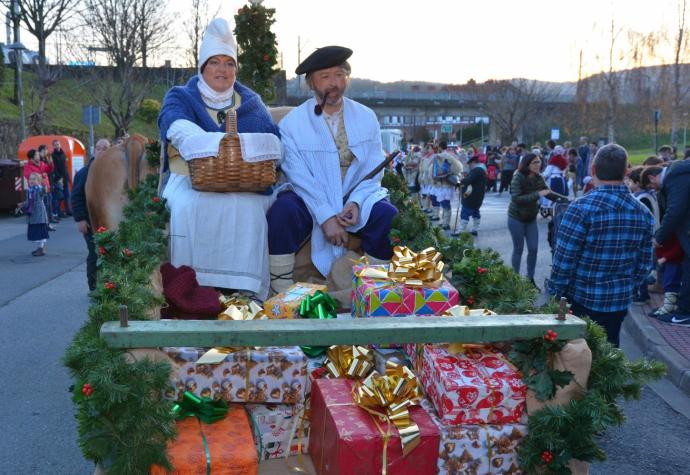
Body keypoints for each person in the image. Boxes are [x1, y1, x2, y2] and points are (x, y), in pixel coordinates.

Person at [158, 18, 281, 299]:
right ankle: (189, 288)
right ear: (202, 66)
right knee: (187, 206)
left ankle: (245, 290)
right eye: (215, 62)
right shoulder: (182, 96)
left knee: (250, 211)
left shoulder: (251, 103)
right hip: (189, 177)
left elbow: (273, 142)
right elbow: (176, 126)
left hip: (245, 182)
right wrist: (217, 145)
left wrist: (226, 148)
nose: (222, 70)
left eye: (229, 63)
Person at [267, 45, 397, 293]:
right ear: (310, 83)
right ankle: (280, 290)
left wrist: (357, 203)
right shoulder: (293, 123)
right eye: (325, 77)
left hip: (353, 194)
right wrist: (326, 215)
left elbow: (372, 170)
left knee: (386, 215)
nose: (333, 83)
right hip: (309, 196)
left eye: (339, 75)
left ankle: (374, 288)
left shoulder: (366, 117)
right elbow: (297, 175)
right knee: (283, 212)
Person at [549, 145, 655, 346]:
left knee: (576, 356)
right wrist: (627, 288)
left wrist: (555, 294)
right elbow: (644, 264)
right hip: (618, 301)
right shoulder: (643, 212)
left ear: (593, 170)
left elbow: (563, 261)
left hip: (580, 298)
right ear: (626, 171)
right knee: (609, 352)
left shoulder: (580, 208)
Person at [641, 161, 690, 325]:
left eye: (652, 186)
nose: (654, 190)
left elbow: (675, 210)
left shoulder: (675, 176)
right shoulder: (679, 173)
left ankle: (685, 313)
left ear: (652, 177)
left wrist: (659, 237)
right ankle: (682, 310)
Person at [507, 153, 552, 289]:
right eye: (534, 163)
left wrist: (564, 200)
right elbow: (516, 198)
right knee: (518, 249)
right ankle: (514, 280)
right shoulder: (518, 177)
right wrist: (537, 194)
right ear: (527, 164)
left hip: (531, 218)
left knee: (533, 249)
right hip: (516, 217)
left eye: (539, 162)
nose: (538, 165)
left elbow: (547, 192)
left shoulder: (539, 178)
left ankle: (530, 280)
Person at [72, 138, 111, 291]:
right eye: (99, 148)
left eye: (106, 148)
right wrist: (80, 219)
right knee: (95, 253)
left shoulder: (113, 172)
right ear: (94, 151)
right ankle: (94, 288)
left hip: (109, 220)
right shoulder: (84, 173)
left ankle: (109, 286)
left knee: (110, 253)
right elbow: (76, 197)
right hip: (90, 221)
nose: (102, 151)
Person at [452, 155, 486, 237]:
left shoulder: (476, 170)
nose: (469, 166)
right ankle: (475, 229)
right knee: (475, 212)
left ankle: (461, 230)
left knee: (465, 212)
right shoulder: (483, 170)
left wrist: (459, 183)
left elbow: (468, 180)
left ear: (474, 163)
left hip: (471, 196)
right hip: (479, 196)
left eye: (470, 164)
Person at [431, 141, 462, 229]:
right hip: (445, 184)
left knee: (445, 204)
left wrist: (436, 175)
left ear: (440, 147)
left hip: (444, 183)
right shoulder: (450, 154)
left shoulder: (442, 156)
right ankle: (445, 221)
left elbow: (440, 170)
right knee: (444, 204)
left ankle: (446, 223)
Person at [19, 172, 50, 256]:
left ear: (39, 181)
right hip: (33, 214)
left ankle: (41, 249)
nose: (31, 181)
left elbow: (44, 193)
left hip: (39, 214)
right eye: (30, 179)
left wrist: (44, 184)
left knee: (39, 232)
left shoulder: (39, 189)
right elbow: (28, 202)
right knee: (36, 232)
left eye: (34, 179)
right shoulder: (29, 190)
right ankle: (39, 248)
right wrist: (23, 204)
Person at [51, 139, 71, 217]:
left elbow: (65, 167)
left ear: (60, 145)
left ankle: (68, 210)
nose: (57, 146)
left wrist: (67, 177)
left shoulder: (63, 154)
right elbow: (55, 168)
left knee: (67, 195)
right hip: (58, 178)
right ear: (53, 146)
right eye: (55, 144)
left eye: (58, 144)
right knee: (59, 196)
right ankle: (58, 212)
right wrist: (59, 178)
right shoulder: (53, 155)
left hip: (65, 177)